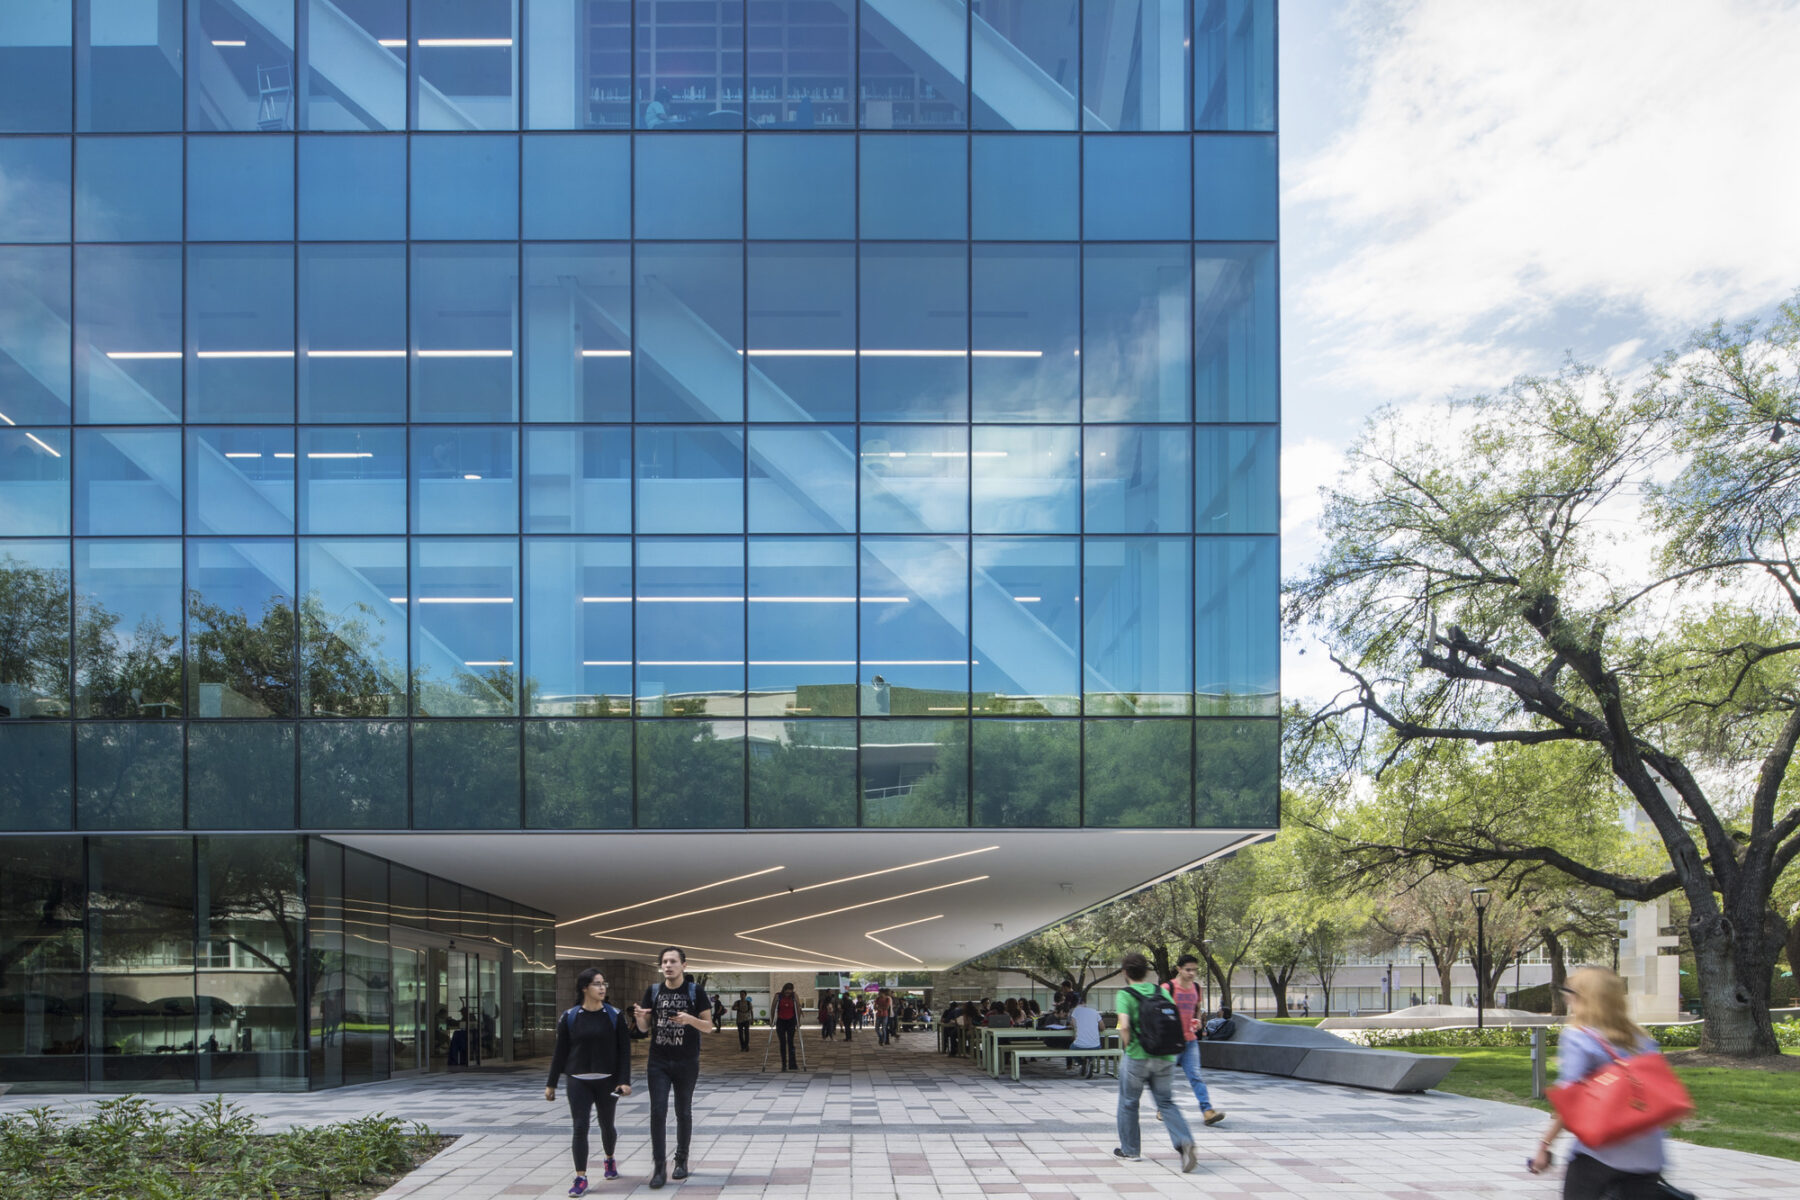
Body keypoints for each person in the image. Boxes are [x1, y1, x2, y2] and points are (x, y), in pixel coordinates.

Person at [1529, 967, 1674, 1198]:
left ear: (1582, 997)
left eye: (1569, 991)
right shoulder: (1643, 1039)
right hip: (1649, 1153)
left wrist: (1544, 1146)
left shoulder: (1580, 1037)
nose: (1566, 996)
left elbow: (1570, 1101)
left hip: (1601, 1151)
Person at [631, 947, 717, 1189]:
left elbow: (709, 1027)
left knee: (683, 1111)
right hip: (658, 1061)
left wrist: (689, 1019)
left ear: (684, 965)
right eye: (664, 962)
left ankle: (681, 1159)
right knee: (658, 1111)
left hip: (686, 1061)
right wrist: (640, 1016)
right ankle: (659, 1167)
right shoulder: (654, 991)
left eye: (673, 961)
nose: (668, 965)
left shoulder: (695, 991)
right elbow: (644, 1028)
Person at [547, 968, 633, 1198]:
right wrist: (551, 1083)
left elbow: (624, 1051)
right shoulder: (570, 1017)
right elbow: (561, 1052)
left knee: (607, 1125)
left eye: (604, 983)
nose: (602, 987)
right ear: (584, 988)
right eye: (597, 984)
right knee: (580, 1127)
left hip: (608, 1082)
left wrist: (624, 1081)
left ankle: (609, 1159)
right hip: (578, 1081)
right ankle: (581, 1177)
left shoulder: (614, 1016)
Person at [1113, 951, 1198, 1173]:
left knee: (1129, 1102)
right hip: (1165, 1057)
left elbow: (1124, 1026)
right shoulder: (1160, 990)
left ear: (1125, 972)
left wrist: (1128, 1046)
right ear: (1146, 971)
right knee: (1166, 1102)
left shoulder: (1125, 994)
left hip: (1138, 1056)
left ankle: (1130, 1150)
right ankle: (1184, 1141)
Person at [1163, 955, 1226, 1127]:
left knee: (1196, 1076)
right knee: (1165, 1077)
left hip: (1190, 1041)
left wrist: (1197, 1021)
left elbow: (1197, 1009)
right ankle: (1163, 1107)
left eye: (1194, 970)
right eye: (1188, 970)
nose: (1192, 973)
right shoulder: (1167, 988)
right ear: (1179, 969)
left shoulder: (1197, 988)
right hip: (1171, 1043)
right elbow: (1158, 1013)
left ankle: (1207, 1111)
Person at [1068, 991, 1103, 1076]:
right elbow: (1102, 1027)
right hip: (1095, 1045)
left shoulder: (1075, 1012)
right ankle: (1090, 1061)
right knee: (1095, 1047)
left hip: (1079, 1045)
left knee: (1071, 1049)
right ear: (1084, 1003)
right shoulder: (1095, 1011)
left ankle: (1082, 1063)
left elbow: (1073, 1025)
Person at [773, 982, 800, 1070]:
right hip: (781, 1021)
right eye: (786, 992)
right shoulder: (778, 996)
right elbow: (773, 1008)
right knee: (782, 1043)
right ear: (783, 990)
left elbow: (798, 1008)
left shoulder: (794, 996)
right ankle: (784, 1064)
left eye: (789, 993)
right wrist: (772, 1019)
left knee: (790, 1042)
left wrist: (798, 1021)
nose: (787, 994)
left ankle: (792, 1064)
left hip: (791, 1021)